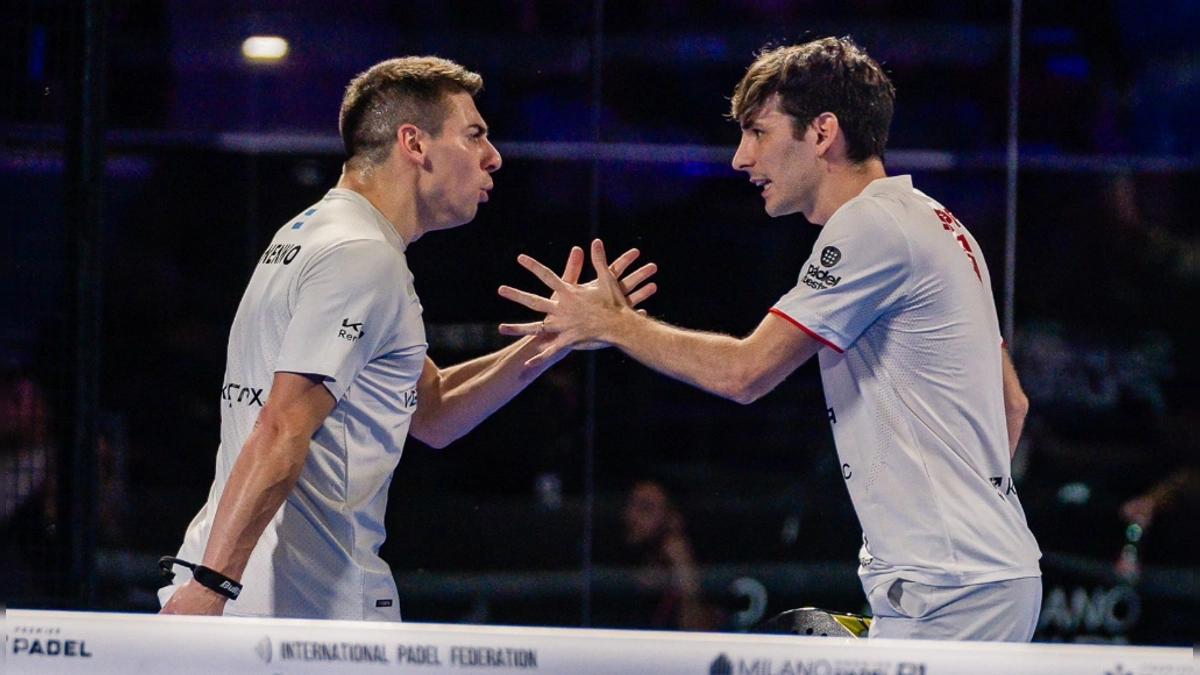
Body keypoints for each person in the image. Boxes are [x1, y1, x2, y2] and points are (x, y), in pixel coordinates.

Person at [499, 37, 1042, 641]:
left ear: (822, 132)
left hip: (952, 587)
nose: (739, 158)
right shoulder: (942, 224)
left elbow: (744, 373)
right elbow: (1011, 404)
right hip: (976, 576)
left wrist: (615, 324)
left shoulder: (870, 225)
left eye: (757, 132)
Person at [158, 56, 657, 621]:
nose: (493, 157)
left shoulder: (319, 232)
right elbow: (281, 423)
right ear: (414, 144)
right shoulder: (361, 257)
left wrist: (555, 338)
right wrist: (210, 586)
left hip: (262, 588)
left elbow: (433, 411)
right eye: (474, 136)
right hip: (300, 605)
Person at [620, 479, 724, 631]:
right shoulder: (620, 565)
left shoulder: (706, 573)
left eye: (645, 508)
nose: (630, 517)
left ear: (674, 519)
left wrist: (683, 566)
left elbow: (695, 634)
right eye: (629, 506)